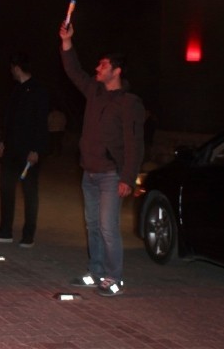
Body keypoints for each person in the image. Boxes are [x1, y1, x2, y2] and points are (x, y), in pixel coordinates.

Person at [59, 21, 144, 298]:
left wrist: (127, 178)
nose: (98, 68)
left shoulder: (129, 102)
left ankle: (114, 278)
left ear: (116, 71)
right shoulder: (94, 92)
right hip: (90, 173)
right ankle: (95, 272)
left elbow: (135, 143)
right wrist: (67, 42)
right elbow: (74, 71)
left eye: (103, 65)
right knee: (92, 226)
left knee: (108, 228)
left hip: (110, 175)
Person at [0, 52, 48, 247]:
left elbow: (41, 123)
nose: (10, 72)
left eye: (12, 68)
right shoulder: (16, 91)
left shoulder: (38, 91)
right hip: (11, 151)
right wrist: (2, 142)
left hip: (29, 152)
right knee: (6, 189)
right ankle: (5, 230)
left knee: (30, 192)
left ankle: (28, 235)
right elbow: (9, 120)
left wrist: (36, 150)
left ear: (17, 67)